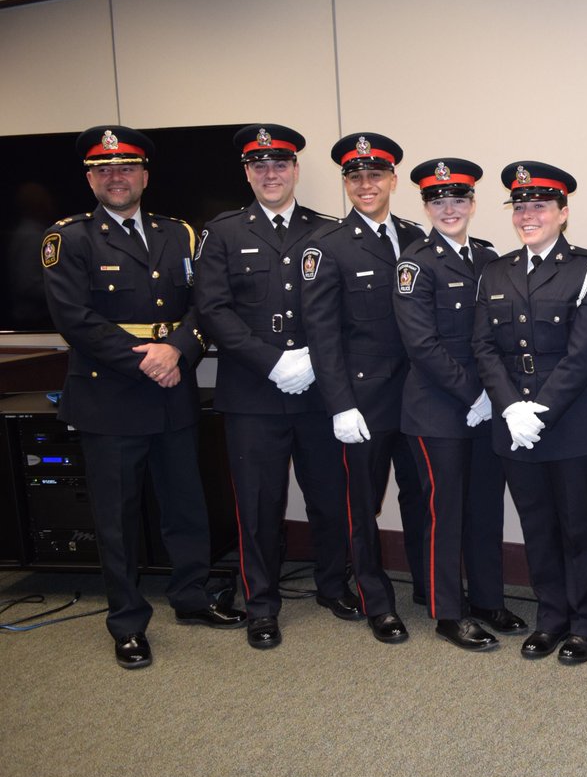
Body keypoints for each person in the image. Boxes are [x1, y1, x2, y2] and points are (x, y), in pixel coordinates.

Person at [40, 125, 245, 669]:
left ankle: (192, 598)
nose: (116, 177)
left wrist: (176, 350)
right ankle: (127, 622)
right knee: (118, 519)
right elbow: (75, 322)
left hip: (173, 389)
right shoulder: (69, 237)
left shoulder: (179, 232)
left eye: (126, 167)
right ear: (90, 178)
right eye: (104, 169)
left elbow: (206, 304)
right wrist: (148, 361)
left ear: (144, 175)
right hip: (109, 399)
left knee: (186, 506)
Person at [193, 124, 356, 650]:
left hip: (318, 389)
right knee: (259, 505)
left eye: (279, 165)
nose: (270, 173)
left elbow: (345, 305)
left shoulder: (326, 230)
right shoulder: (221, 232)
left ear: (295, 170)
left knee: (331, 499)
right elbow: (212, 309)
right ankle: (261, 603)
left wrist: (313, 360)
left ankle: (334, 585)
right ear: (247, 172)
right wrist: (271, 361)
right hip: (253, 395)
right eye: (259, 166)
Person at [473, 161, 587, 664]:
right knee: (536, 526)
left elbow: (584, 353)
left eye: (540, 206)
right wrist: (511, 408)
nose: (528, 215)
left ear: (563, 212)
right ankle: (550, 617)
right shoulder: (495, 270)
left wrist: (542, 411)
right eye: (520, 206)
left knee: (580, 527)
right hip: (514, 427)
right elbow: (484, 347)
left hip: (572, 424)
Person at [394, 157, 526, 651]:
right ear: (426, 206)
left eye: (458, 199)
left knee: (486, 507)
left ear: (472, 203)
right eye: (437, 200)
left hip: (486, 406)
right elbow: (421, 345)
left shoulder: (488, 259)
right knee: (443, 511)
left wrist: (496, 397)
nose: (449, 208)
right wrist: (474, 395)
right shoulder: (416, 262)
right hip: (437, 409)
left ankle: (488, 599)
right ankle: (448, 610)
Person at [299, 132, 425, 644]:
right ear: (346, 184)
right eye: (356, 177)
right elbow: (321, 336)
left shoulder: (417, 237)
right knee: (362, 506)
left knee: (421, 496)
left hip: (418, 398)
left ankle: (429, 589)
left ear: (394, 179)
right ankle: (377, 600)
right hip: (364, 402)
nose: (366, 185)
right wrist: (340, 405)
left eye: (376, 175)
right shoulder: (326, 247)